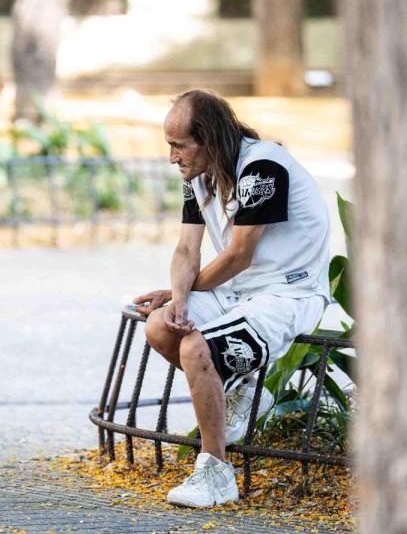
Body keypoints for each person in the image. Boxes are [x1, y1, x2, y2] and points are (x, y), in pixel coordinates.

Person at [134, 89, 330, 508]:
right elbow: (187, 250)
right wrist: (179, 298)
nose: (172, 157)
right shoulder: (199, 178)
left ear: (210, 139)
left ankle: (216, 472)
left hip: (288, 295)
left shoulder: (262, 168)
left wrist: (186, 291)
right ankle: (239, 390)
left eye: (178, 145)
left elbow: (240, 255)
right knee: (159, 326)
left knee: (195, 345)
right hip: (237, 294)